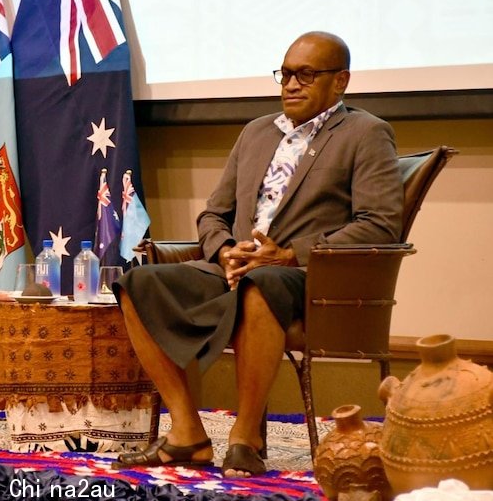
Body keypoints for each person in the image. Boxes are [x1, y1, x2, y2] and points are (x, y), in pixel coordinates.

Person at [112, 31, 403, 477]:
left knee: (261, 282)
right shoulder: (256, 132)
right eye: (285, 74)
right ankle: (187, 432)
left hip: (308, 278)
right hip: (236, 269)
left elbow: (380, 224)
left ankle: (245, 438)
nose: (291, 84)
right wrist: (226, 249)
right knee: (137, 281)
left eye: (306, 75)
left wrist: (288, 254)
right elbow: (213, 214)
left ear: (340, 81)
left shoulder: (365, 133)